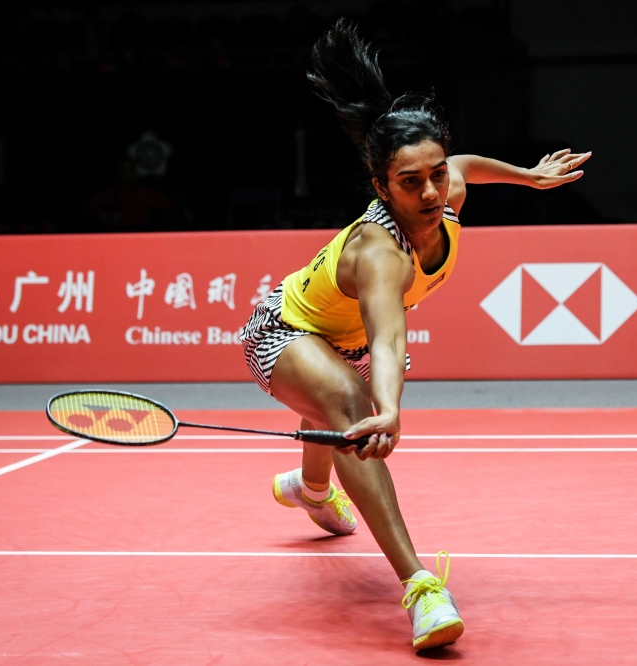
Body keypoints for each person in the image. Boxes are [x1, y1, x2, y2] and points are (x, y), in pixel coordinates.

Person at [240, 19, 589, 651]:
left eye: (433, 176)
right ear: (380, 187)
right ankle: (421, 589)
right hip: (284, 329)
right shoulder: (381, 254)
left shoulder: (442, 187)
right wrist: (391, 409)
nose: (430, 192)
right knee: (351, 404)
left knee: (343, 400)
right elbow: (388, 337)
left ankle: (310, 488)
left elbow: (463, 166)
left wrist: (530, 177)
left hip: (344, 344)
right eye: (409, 183)